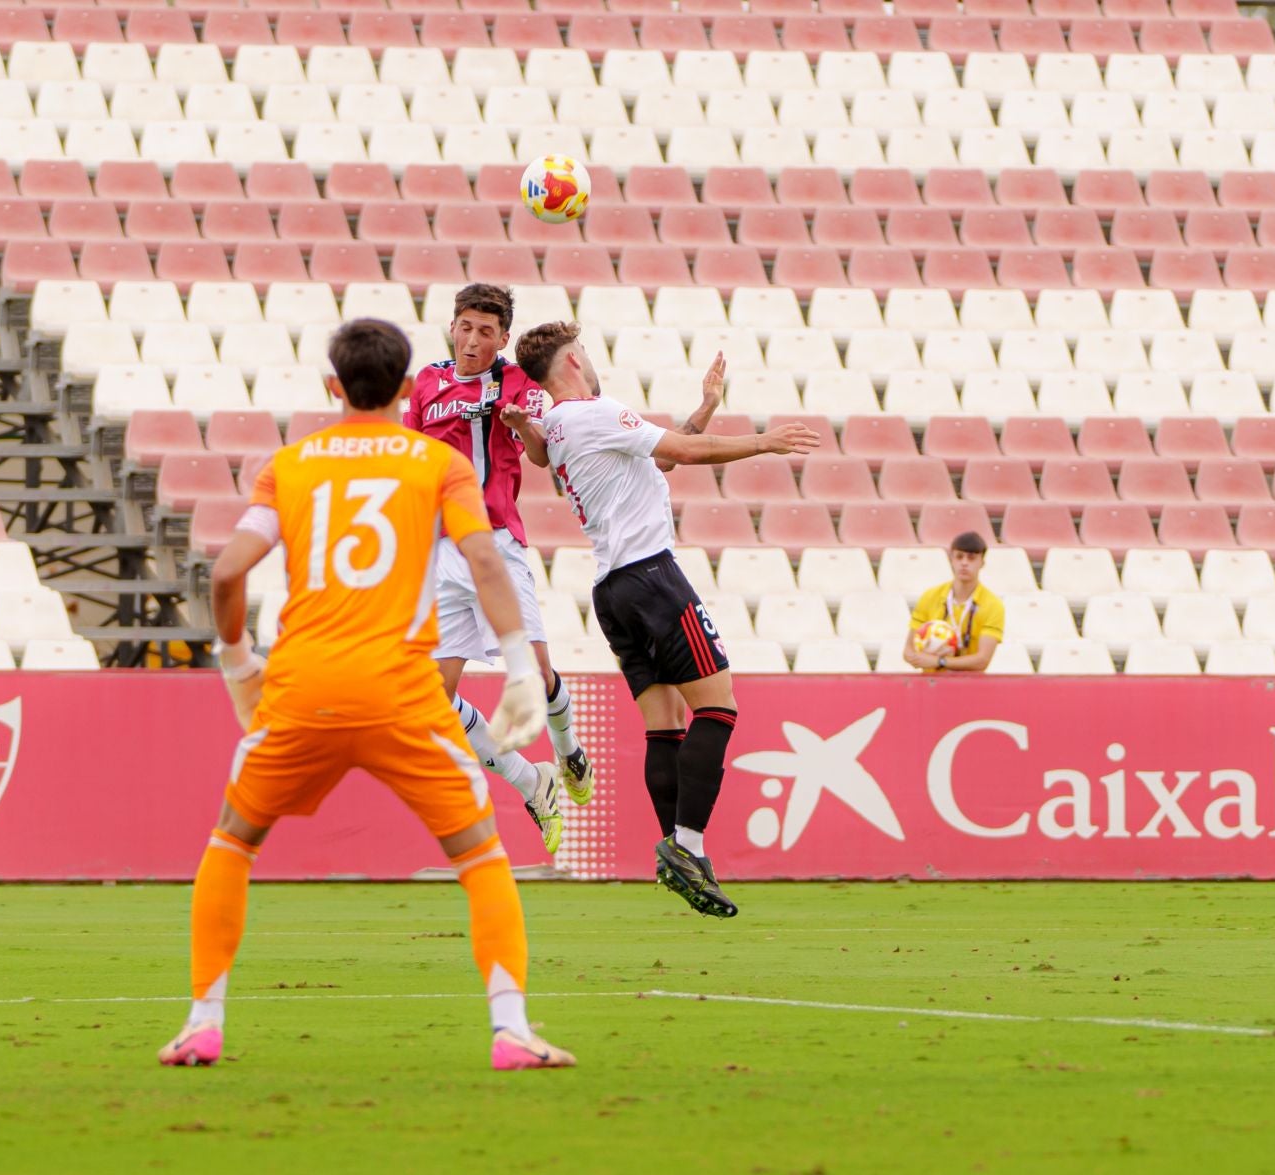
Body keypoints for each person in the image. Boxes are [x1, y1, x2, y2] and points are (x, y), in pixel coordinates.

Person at [159, 319, 574, 1073]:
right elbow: (484, 559)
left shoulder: (290, 466)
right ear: (410, 389)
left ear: (332, 386)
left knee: (232, 842)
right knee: (481, 856)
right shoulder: (435, 465)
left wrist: (236, 667)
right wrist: (517, 665)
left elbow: (226, 575)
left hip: (302, 688)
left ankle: (201, 1023)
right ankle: (510, 1029)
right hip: (401, 695)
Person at [506, 321, 820, 919]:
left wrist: (704, 407)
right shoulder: (594, 411)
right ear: (573, 361)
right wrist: (765, 440)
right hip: (652, 577)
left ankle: (678, 852)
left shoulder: (562, 427)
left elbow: (659, 459)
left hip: (612, 591)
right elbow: (685, 453)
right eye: (586, 352)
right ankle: (688, 848)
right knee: (718, 708)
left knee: (665, 725)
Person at [403, 282, 591, 858]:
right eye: (465, 326)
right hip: (442, 552)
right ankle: (530, 782)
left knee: (534, 670)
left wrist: (521, 426)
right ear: (452, 327)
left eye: (487, 331)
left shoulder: (517, 384)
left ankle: (568, 751)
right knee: (434, 695)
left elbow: (540, 457)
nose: (473, 339)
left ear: (503, 338)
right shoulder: (427, 384)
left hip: (497, 543)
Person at [901, 531, 1005, 674]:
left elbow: (983, 660)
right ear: (951, 559)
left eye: (971, 558)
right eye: (959, 557)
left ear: (982, 562)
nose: (964, 563)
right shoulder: (930, 596)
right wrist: (919, 658)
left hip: (970, 686)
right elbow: (908, 650)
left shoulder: (993, 604)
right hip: (931, 683)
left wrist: (940, 661)